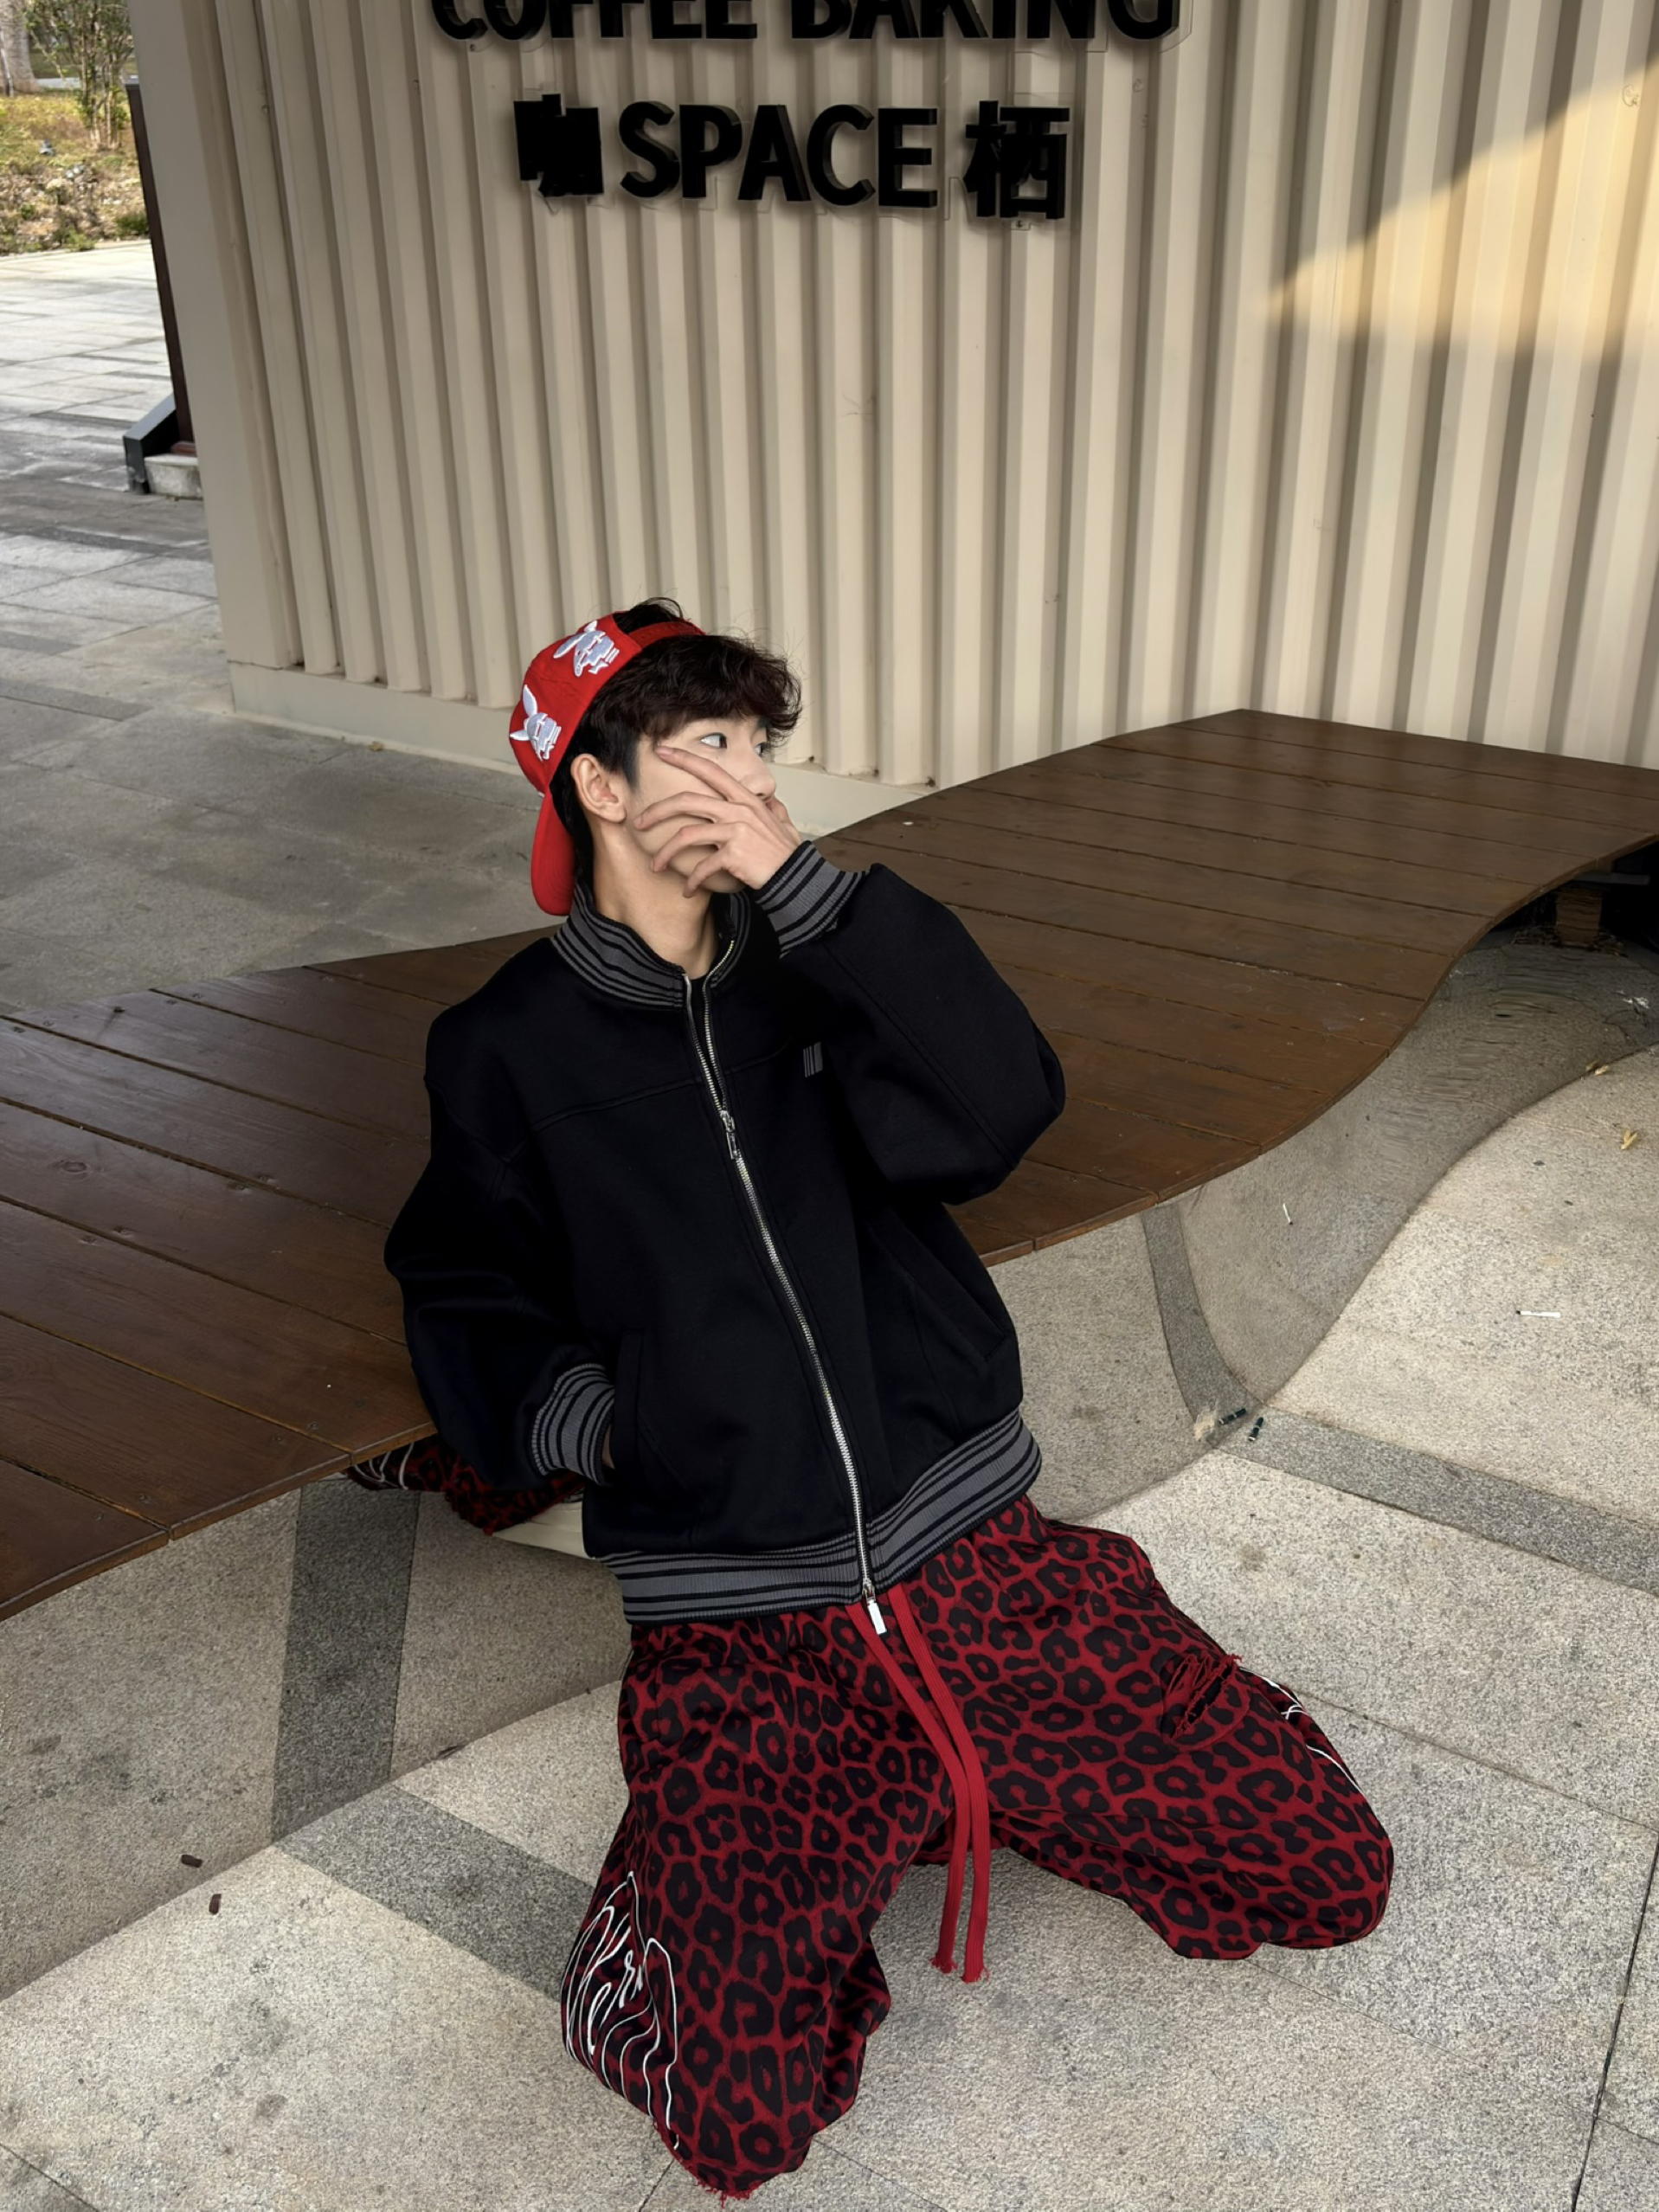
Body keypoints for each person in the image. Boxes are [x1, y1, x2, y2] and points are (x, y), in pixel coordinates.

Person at [370, 601, 1393, 2201]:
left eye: (756, 744)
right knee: (732, 2116)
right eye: (702, 744)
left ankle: (967, 1767)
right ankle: (713, 1880)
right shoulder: (503, 1046)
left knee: (1330, 1874)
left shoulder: (826, 962)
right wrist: (600, 1423)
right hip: (744, 1620)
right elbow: (459, 1275)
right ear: (598, 786)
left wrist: (813, 897)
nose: (747, 777)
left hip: (984, 1561)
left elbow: (998, 1109)